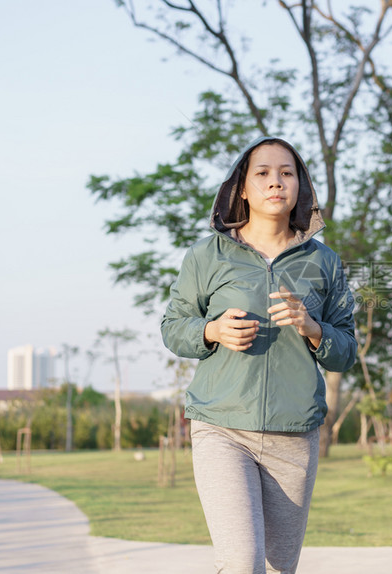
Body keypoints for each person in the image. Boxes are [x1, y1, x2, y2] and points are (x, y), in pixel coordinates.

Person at [161, 136, 357, 574]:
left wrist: (313, 329)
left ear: (300, 188)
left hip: (294, 433)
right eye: (263, 173)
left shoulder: (324, 263)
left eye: (287, 173)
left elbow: (346, 350)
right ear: (242, 189)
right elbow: (173, 327)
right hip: (222, 427)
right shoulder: (206, 255)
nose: (276, 182)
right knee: (241, 562)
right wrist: (210, 330)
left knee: (277, 568)